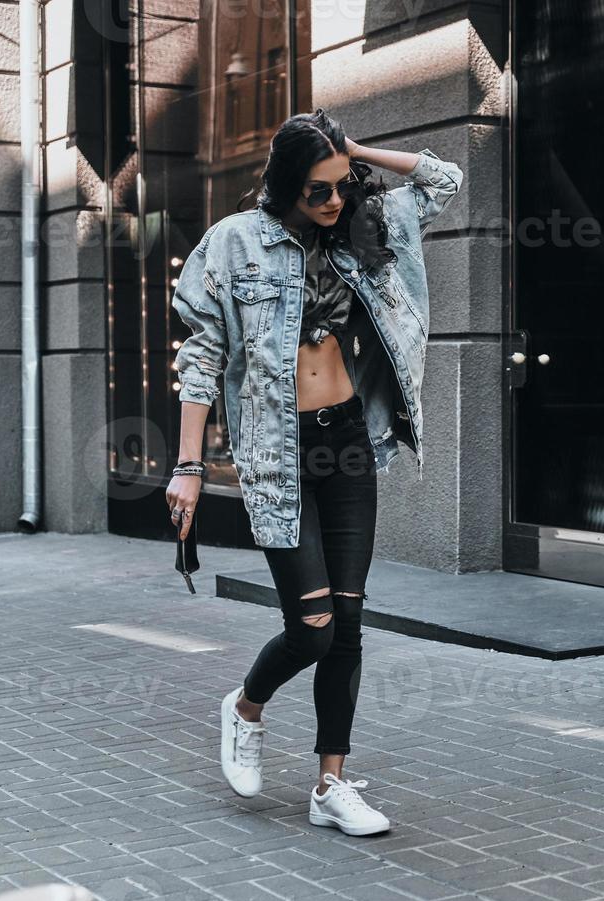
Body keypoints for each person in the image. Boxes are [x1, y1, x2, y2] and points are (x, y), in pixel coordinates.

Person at [164, 109, 463, 835]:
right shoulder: (232, 245)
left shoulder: (360, 226)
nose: (333, 203)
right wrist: (188, 466)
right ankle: (244, 707)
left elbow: (444, 181)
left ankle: (330, 785)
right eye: (318, 192)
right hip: (277, 448)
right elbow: (201, 359)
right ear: (283, 186)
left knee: (350, 624)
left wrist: (352, 149)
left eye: (340, 187)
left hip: (348, 441)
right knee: (314, 628)